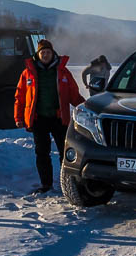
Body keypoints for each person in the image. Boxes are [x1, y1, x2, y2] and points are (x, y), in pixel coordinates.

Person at [14, 39, 84, 194]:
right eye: (42, 52)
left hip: (59, 118)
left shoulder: (63, 72)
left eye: (48, 52)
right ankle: (46, 185)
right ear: (37, 55)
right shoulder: (28, 73)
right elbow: (20, 96)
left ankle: (68, 184)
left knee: (65, 153)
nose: (45, 55)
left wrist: (87, 108)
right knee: (42, 153)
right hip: (38, 119)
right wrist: (18, 117)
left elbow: (74, 95)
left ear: (53, 54)